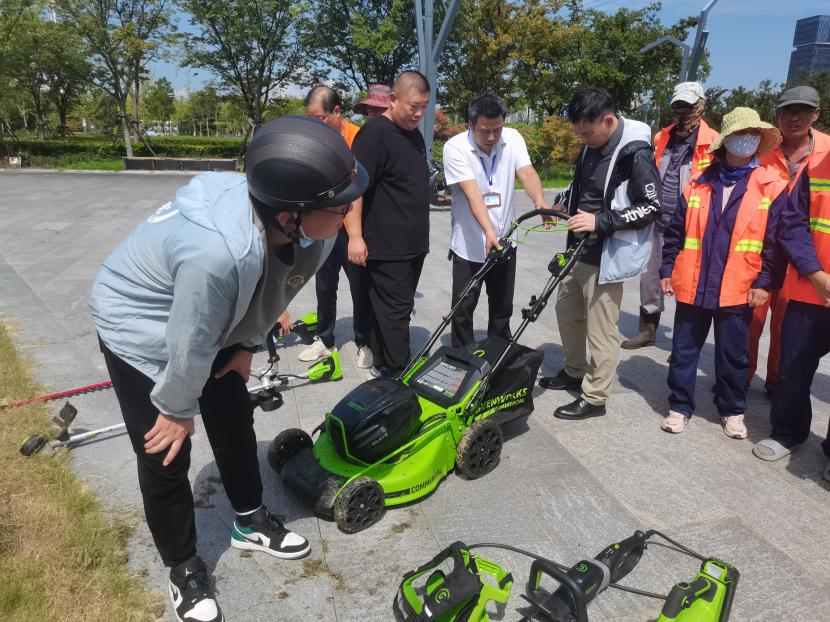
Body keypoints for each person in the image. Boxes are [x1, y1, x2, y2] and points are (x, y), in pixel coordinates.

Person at [89, 116, 368, 622]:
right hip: (139, 322)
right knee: (165, 449)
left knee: (233, 413)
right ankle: (182, 564)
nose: (350, 214)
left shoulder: (311, 230)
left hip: (208, 314)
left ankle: (249, 519)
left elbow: (278, 288)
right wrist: (175, 407)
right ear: (290, 215)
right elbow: (190, 337)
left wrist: (247, 344)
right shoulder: (217, 255)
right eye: (341, 207)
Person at [659, 107, 787, 438]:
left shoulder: (771, 186)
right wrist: (666, 267)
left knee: (733, 356)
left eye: (754, 134)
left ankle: (732, 410)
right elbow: (675, 232)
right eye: (741, 133)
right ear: (725, 140)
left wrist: (765, 282)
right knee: (684, 352)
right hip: (694, 283)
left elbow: (774, 243)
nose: (748, 139)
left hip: (739, 287)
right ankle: (679, 406)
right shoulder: (697, 183)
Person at [540, 88, 661, 420]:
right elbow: (584, 185)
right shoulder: (590, 143)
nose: (583, 139)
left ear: (608, 121)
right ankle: (574, 370)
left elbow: (652, 206)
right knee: (567, 312)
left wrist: (601, 221)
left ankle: (595, 397)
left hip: (607, 253)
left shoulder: (635, 153)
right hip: (577, 247)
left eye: (588, 133)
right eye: (579, 133)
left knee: (601, 329)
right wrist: (562, 202)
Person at [752, 93, 830, 482]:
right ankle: (788, 431)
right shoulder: (819, 165)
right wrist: (815, 273)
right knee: (794, 365)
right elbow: (793, 223)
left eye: (803, 111)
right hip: (809, 288)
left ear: (816, 115)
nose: (795, 117)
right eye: (788, 111)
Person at [442, 94, 549, 347]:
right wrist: (489, 231)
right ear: (470, 124)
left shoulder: (512, 138)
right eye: (484, 131)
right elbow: (472, 193)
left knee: (502, 305)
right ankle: (463, 356)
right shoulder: (455, 147)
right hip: (469, 244)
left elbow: (527, 172)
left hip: (505, 240)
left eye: (497, 129)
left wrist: (540, 201)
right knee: (463, 307)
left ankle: (498, 354)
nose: (491, 137)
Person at [622, 82, 719, 349]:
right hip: (657, 219)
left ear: (700, 105)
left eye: (687, 106)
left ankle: (684, 343)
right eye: (677, 106)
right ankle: (647, 329)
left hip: (692, 224)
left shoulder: (713, 142)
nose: (681, 112)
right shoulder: (661, 137)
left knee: (689, 281)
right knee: (649, 276)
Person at [348, 71, 431, 379]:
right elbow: (355, 189)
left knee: (396, 308)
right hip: (386, 242)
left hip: (413, 242)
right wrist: (355, 236)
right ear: (393, 99)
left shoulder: (414, 134)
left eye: (424, 107)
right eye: (413, 106)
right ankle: (398, 373)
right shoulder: (374, 135)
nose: (419, 114)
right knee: (395, 312)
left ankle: (382, 363)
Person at [299, 85, 373, 368]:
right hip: (324, 225)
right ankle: (325, 339)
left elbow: (358, 190)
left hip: (352, 226)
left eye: (319, 117)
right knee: (324, 284)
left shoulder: (358, 138)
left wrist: (356, 236)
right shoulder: (315, 138)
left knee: (359, 286)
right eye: (310, 118)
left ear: (337, 111)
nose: (314, 123)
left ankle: (364, 341)